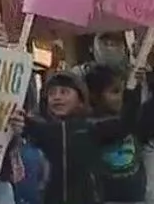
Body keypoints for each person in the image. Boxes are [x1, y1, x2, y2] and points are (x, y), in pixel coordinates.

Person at [24, 69, 143, 204]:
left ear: (80, 100)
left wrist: (133, 91)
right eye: (51, 93)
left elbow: (126, 123)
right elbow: (20, 125)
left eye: (64, 92)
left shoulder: (93, 128)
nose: (57, 97)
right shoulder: (41, 130)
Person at [83, 64, 147, 204]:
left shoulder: (130, 119)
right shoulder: (91, 126)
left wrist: (139, 83)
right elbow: (122, 127)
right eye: (115, 91)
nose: (122, 97)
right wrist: (134, 93)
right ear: (93, 95)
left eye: (124, 91)